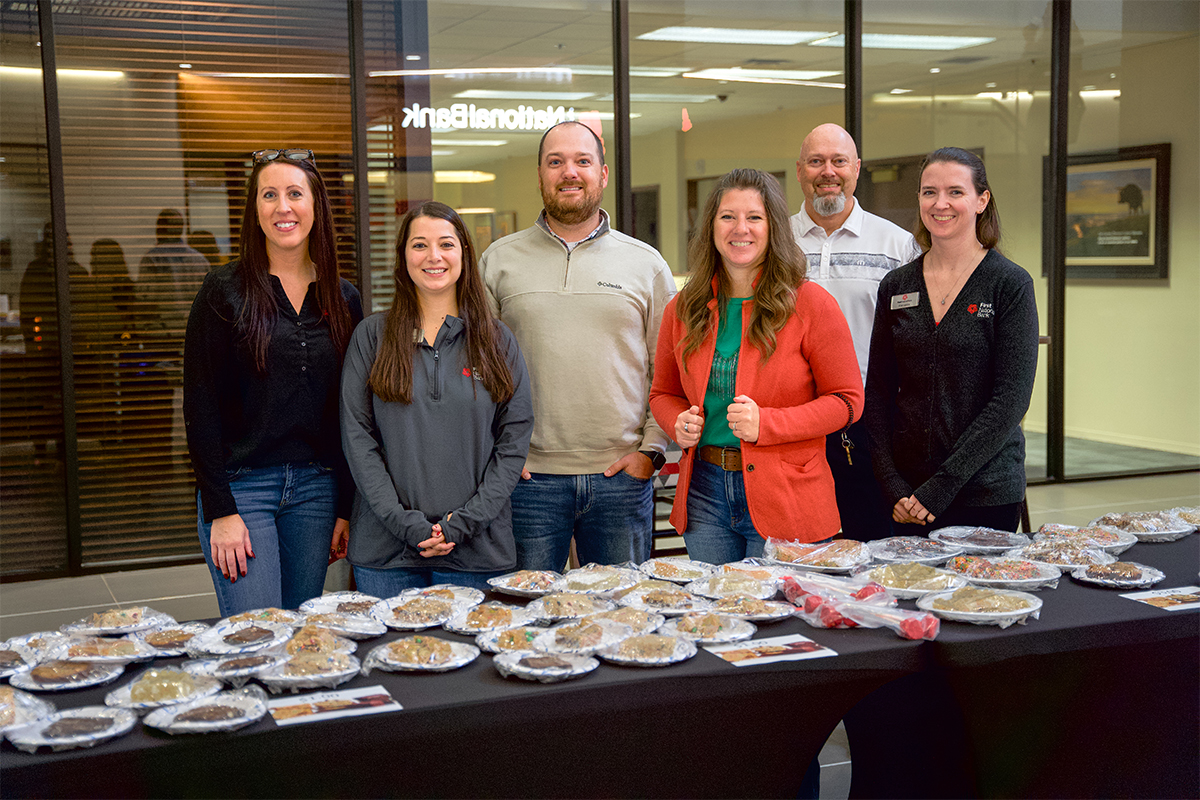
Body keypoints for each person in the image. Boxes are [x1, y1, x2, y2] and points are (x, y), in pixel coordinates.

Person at [480, 120, 675, 570]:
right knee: (527, 624)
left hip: (620, 481)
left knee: (623, 623)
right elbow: (477, 371)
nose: (569, 172)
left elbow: (667, 368)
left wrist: (651, 451)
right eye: (556, 161)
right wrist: (500, 456)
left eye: (582, 161)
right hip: (528, 481)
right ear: (541, 173)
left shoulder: (646, 264)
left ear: (602, 174)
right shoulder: (497, 261)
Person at [649, 168, 864, 564]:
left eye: (754, 217)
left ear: (773, 227)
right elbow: (662, 392)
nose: (740, 229)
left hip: (787, 493)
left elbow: (847, 401)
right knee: (718, 617)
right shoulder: (682, 308)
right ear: (711, 227)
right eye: (727, 216)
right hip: (704, 495)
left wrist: (768, 424)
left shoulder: (811, 304)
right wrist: (675, 422)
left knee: (783, 618)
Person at [184, 148, 362, 616]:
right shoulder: (223, 291)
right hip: (243, 490)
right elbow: (199, 404)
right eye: (269, 195)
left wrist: (345, 506)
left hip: (316, 492)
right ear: (255, 210)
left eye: (294, 194)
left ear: (316, 206)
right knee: (254, 637)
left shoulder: (344, 298)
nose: (283, 207)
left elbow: (350, 413)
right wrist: (220, 509)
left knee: (299, 636)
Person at [341, 202, 533, 595]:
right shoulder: (372, 336)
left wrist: (461, 524)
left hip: (477, 551)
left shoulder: (497, 341)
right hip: (386, 553)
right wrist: (403, 523)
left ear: (463, 253)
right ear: (402, 256)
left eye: (446, 244)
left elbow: (513, 441)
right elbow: (357, 438)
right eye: (419, 245)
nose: (434, 257)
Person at [864, 147, 1039, 534]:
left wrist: (939, 489)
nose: (940, 203)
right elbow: (876, 391)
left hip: (985, 494)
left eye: (955, 192)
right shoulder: (897, 285)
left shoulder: (1009, 284)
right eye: (929, 192)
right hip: (905, 498)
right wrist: (892, 484)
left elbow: (1010, 400)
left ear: (981, 200)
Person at [791, 123, 922, 542]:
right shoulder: (773, 243)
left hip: (871, 424)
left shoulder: (898, 246)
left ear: (857, 168)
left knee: (873, 545)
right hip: (792, 423)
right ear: (799, 171)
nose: (827, 171)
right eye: (816, 161)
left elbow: (915, 339)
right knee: (803, 548)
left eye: (838, 161)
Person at [140, 209, 209, 333]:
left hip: (164, 331)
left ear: (160, 229)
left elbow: (146, 299)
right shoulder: (200, 259)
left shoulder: (153, 259)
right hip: (195, 330)